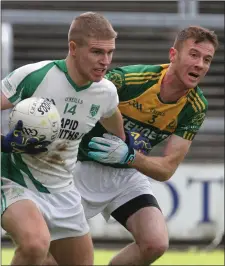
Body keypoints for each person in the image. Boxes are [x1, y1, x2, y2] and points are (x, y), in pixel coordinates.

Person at [72, 26, 219, 265]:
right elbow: (78, 96)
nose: (200, 64)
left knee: (155, 243)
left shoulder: (195, 107)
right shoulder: (129, 79)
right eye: (193, 54)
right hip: (80, 170)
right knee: (52, 258)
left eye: (207, 59)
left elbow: (167, 168)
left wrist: (129, 157)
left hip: (127, 176)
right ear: (173, 55)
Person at [1, 12, 126, 265]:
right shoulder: (35, 75)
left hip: (62, 190)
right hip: (15, 180)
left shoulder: (106, 92)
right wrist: (4, 143)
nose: (105, 61)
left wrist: (124, 144)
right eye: (97, 52)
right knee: (35, 244)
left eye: (110, 53)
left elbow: (116, 126)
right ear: (73, 48)